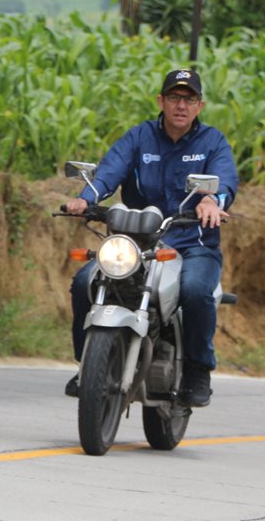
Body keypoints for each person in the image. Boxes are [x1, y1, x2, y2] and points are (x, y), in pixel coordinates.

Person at [64, 68, 238, 407]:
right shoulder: (139, 138)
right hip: (137, 243)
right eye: (174, 97)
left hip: (192, 243)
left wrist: (210, 201)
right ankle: (88, 363)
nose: (181, 105)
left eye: (189, 99)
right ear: (161, 101)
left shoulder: (212, 142)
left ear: (199, 106)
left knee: (197, 291)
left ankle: (197, 371)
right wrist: (86, 199)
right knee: (84, 282)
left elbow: (224, 180)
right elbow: (110, 170)